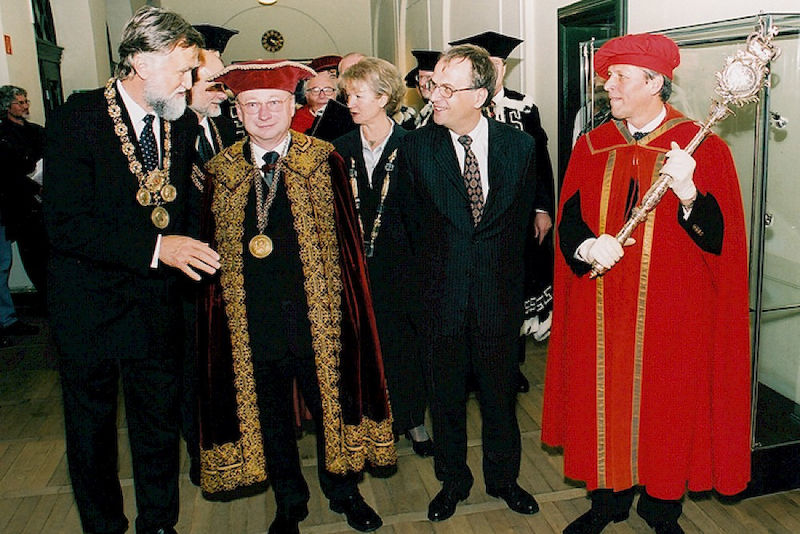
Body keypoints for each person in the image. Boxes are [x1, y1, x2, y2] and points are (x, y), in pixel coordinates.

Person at [542, 33, 751, 534]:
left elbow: (721, 243)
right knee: (602, 403)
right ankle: (607, 502)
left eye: (620, 77)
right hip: (602, 310)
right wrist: (587, 247)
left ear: (654, 83)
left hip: (673, 314)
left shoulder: (703, 147)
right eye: (608, 76)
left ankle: (661, 508)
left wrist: (689, 193)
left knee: (667, 410)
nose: (607, 85)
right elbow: (570, 220)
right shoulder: (593, 145)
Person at [199, 59, 395, 534]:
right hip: (253, 321)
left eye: (274, 103)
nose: (264, 114)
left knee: (334, 406)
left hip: (319, 318)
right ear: (237, 112)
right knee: (269, 415)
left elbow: (349, 246)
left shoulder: (324, 159)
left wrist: (351, 314)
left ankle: (344, 492)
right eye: (252, 105)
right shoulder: (220, 170)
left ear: (293, 106)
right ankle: (289, 501)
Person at [43, 7, 220, 534]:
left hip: (157, 302)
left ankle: (159, 523)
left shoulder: (179, 120)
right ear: (141, 63)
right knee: (92, 427)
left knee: (158, 422)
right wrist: (157, 247)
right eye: (183, 71)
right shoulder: (79, 118)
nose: (189, 84)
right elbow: (66, 224)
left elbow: (182, 208)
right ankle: (103, 526)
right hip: (88, 304)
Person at [396, 44, 539, 522]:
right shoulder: (415, 149)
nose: (433, 95)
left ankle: (505, 480)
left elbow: (519, 228)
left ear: (480, 95)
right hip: (439, 302)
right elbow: (405, 230)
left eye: (446, 88)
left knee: (501, 398)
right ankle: (452, 482)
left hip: (498, 301)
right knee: (446, 401)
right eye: (433, 85)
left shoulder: (519, 147)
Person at [333, 57, 433, 458]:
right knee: (360, 348)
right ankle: (370, 421)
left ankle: (412, 419)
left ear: (383, 97)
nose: (350, 103)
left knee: (405, 346)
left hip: (404, 268)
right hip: (353, 268)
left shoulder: (415, 147)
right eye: (347, 95)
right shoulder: (338, 151)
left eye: (358, 95)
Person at [450, 30, 556, 391]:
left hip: (515, 217)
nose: (490, 70)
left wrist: (542, 208)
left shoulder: (522, 106)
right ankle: (469, 369)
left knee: (511, 290)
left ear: (504, 68)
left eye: (495, 64)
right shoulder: (457, 106)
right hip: (468, 217)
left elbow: (539, 161)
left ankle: (511, 366)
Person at [177, 36, 240, 487]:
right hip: (182, 280)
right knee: (191, 371)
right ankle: (201, 451)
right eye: (215, 84)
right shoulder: (169, 135)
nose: (224, 93)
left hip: (223, 271)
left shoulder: (220, 129)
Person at [0, 85, 44, 344]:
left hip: (33, 204)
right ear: (7, 106)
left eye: (26, 101)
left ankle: (8, 319)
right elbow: (9, 174)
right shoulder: (3, 135)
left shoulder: (35, 131)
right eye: (20, 102)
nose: (25, 106)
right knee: (4, 264)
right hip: (15, 204)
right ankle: (6, 321)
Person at [291, 54, 340, 134]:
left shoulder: (347, 116)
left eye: (328, 90)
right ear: (306, 94)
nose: (322, 96)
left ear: (336, 93)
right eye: (315, 90)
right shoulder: (297, 121)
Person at [402, 49, 439, 130]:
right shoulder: (425, 113)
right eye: (420, 77)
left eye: (428, 78)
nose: (422, 83)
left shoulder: (440, 115)